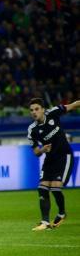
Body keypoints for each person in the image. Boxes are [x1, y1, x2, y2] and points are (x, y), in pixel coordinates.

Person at [27, 98, 79, 231]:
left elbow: (73, 105)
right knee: (42, 188)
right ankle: (44, 222)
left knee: (56, 187)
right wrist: (42, 150)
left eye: (37, 109)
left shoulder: (53, 113)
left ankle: (61, 213)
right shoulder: (32, 130)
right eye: (32, 110)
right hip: (49, 159)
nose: (34, 112)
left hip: (64, 156)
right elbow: (36, 152)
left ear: (43, 109)